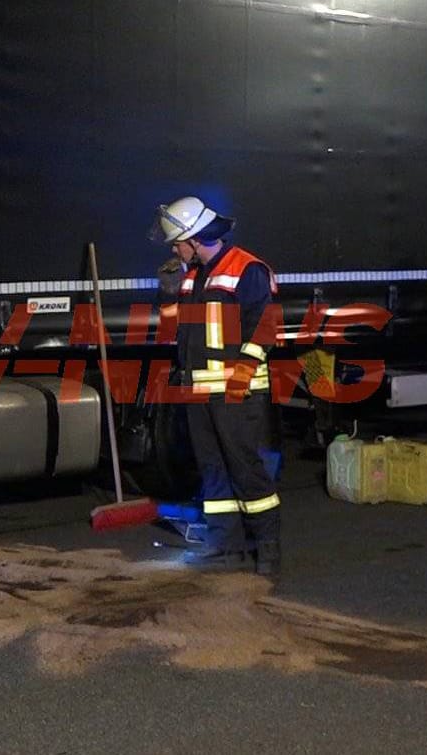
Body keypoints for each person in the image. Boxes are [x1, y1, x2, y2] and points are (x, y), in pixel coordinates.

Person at [152, 195, 281, 577]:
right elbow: (171, 330)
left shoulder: (248, 269)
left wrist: (240, 380)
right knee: (213, 471)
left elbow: (266, 327)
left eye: (177, 241)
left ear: (194, 238)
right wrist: (166, 294)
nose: (175, 249)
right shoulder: (190, 276)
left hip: (236, 392)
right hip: (199, 390)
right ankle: (226, 548)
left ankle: (267, 550)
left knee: (246, 470)